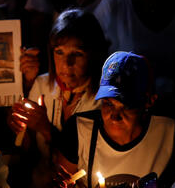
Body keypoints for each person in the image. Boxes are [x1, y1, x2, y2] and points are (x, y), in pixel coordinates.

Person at [56, 52, 175, 188]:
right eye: (108, 104)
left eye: (126, 105)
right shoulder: (80, 130)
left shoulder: (168, 135)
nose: (114, 115)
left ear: (149, 100)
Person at [12, 9, 107, 139]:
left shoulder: (104, 101)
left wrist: (46, 129)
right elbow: (27, 144)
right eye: (59, 52)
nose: (66, 63)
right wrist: (20, 129)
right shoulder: (42, 85)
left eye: (77, 54)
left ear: (93, 55)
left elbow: (83, 156)